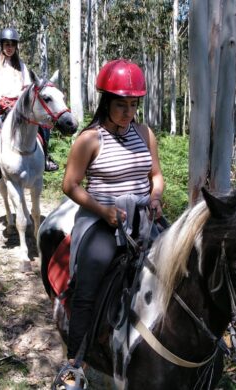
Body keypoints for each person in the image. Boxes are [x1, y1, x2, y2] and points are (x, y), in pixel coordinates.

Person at [54, 59, 164, 388]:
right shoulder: (89, 139)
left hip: (145, 216)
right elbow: (70, 185)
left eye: (134, 104)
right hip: (104, 220)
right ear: (106, 101)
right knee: (90, 279)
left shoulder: (145, 133)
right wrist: (103, 211)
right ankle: (74, 362)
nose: (129, 112)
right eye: (121, 105)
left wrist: (156, 197)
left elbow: (156, 176)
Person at [0, 27, 58, 187]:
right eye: (6, 44)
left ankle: (46, 158)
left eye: (12, 45)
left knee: (44, 127)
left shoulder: (21, 66)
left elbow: (26, 88)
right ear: (1, 45)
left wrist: (20, 100)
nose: (9, 47)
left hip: (17, 106)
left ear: (15, 46)